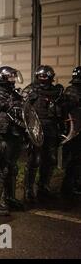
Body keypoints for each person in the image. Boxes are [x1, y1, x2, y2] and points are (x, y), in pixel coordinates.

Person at [0, 66, 27, 216]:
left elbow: (25, 116)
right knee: (0, 170)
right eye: (11, 77)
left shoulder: (17, 96)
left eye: (14, 77)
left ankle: (10, 198)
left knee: (12, 168)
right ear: (3, 78)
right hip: (2, 137)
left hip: (15, 137)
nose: (13, 80)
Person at [22, 65, 65, 201]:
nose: (43, 78)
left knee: (51, 159)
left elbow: (63, 111)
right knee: (34, 159)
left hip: (52, 128)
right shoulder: (30, 90)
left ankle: (44, 186)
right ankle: (28, 189)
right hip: (36, 128)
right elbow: (23, 110)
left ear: (51, 77)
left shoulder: (57, 92)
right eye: (40, 76)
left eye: (45, 76)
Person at [61, 66, 81, 198]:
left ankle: (74, 184)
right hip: (74, 132)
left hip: (76, 130)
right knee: (74, 160)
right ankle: (68, 187)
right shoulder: (72, 92)